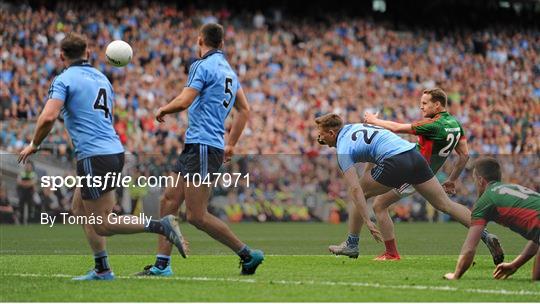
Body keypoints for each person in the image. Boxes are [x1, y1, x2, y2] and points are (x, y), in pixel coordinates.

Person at [18, 33, 186, 281]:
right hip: (110, 151)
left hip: (94, 156)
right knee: (79, 209)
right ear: (87, 54)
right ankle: (102, 268)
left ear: (62, 56)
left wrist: (34, 143)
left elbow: (48, 116)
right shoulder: (102, 78)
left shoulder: (63, 79)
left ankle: (161, 225)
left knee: (103, 223)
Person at [137, 23, 263, 276]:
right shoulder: (229, 71)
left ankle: (248, 254)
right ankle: (162, 265)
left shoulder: (201, 65)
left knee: (196, 215)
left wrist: (163, 109)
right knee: (169, 200)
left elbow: (185, 100)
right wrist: (231, 143)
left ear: (200, 41)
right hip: (199, 144)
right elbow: (244, 110)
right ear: (222, 44)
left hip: (204, 146)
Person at [315, 113, 502, 258]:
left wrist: (367, 220)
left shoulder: (343, 148)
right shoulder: (356, 127)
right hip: (414, 155)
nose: (320, 138)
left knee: (357, 194)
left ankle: (352, 244)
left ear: (332, 133)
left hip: (394, 161)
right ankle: (486, 235)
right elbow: (372, 153)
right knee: (445, 204)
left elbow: (355, 189)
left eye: (321, 134)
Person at [355, 88, 503, 263]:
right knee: (447, 205)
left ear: (437, 104)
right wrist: (452, 179)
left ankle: (391, 253)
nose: (421, 107)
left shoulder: (433, 125)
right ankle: (485, 235)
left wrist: (373, 120)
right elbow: (464, 155)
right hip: (427, 172)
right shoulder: (455, 124)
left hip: (412, 171)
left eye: (425, 103)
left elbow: (397, 127)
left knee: (379, 204)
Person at [444, 157, 539, 281]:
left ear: (480, 180)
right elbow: (537, 238)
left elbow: (470, 247)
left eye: (474, 180)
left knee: (537, 280)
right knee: (537, 277)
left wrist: (456, 274)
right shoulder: (511, 188)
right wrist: (515, 265)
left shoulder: (486, 200)